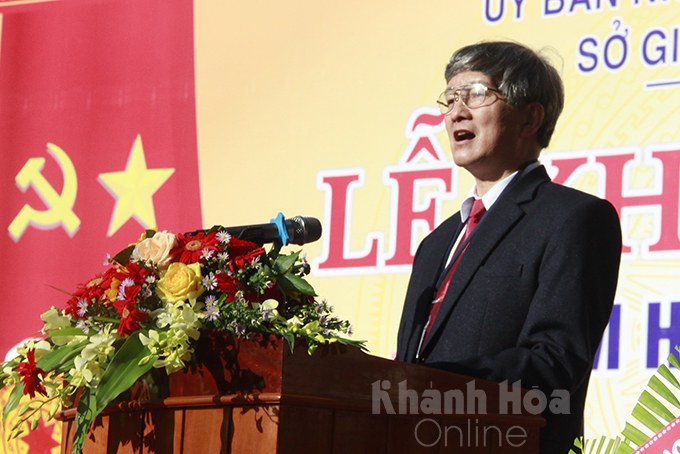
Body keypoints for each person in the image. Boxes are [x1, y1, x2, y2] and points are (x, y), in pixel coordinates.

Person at [395, 41, 622, 453]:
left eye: (476, 94)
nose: (456, 112)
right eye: (450, 99)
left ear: (530, 117)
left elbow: (555, 361)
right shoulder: (436, 243)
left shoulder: (574, 218)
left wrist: (435, 383)